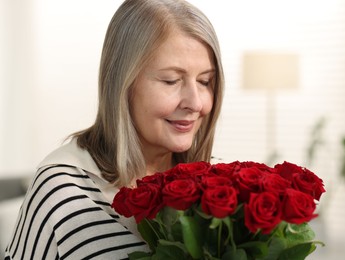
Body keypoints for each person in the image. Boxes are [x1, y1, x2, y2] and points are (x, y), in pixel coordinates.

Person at [4, 0, 224, 259]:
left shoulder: (218, 185)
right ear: (122, 83)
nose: (196, 103)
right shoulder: (62, 191)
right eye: (171, 80)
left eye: (205, 81)